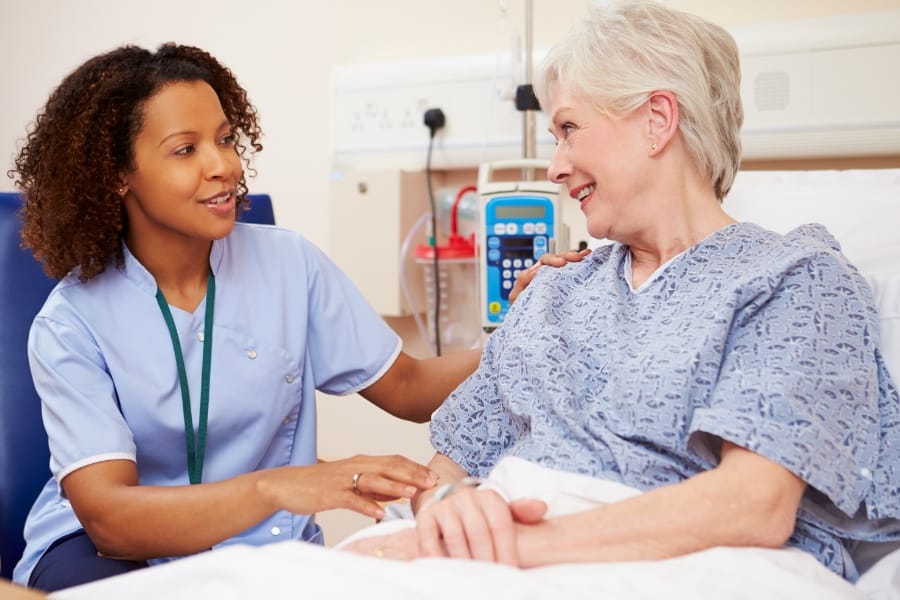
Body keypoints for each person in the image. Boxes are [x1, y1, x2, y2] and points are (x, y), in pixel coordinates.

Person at [344, 0, 900, 583]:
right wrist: (449, 514)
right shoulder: (554, 290)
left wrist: (507, 549)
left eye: (568, 129)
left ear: (658, 119)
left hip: (671, 564)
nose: (555, 168)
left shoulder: (794, 278)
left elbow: (753, 506)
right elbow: (442, 478)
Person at [9, 43, 481, 591]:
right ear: (118, 174)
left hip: (259, 540)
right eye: (186, 149)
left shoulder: (288, 264)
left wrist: (530, 324)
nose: (224, 165)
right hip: (103, 553)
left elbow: (411, 387)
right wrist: (279, 486)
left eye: (226, 139)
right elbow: (110, 520)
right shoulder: (71, 321)